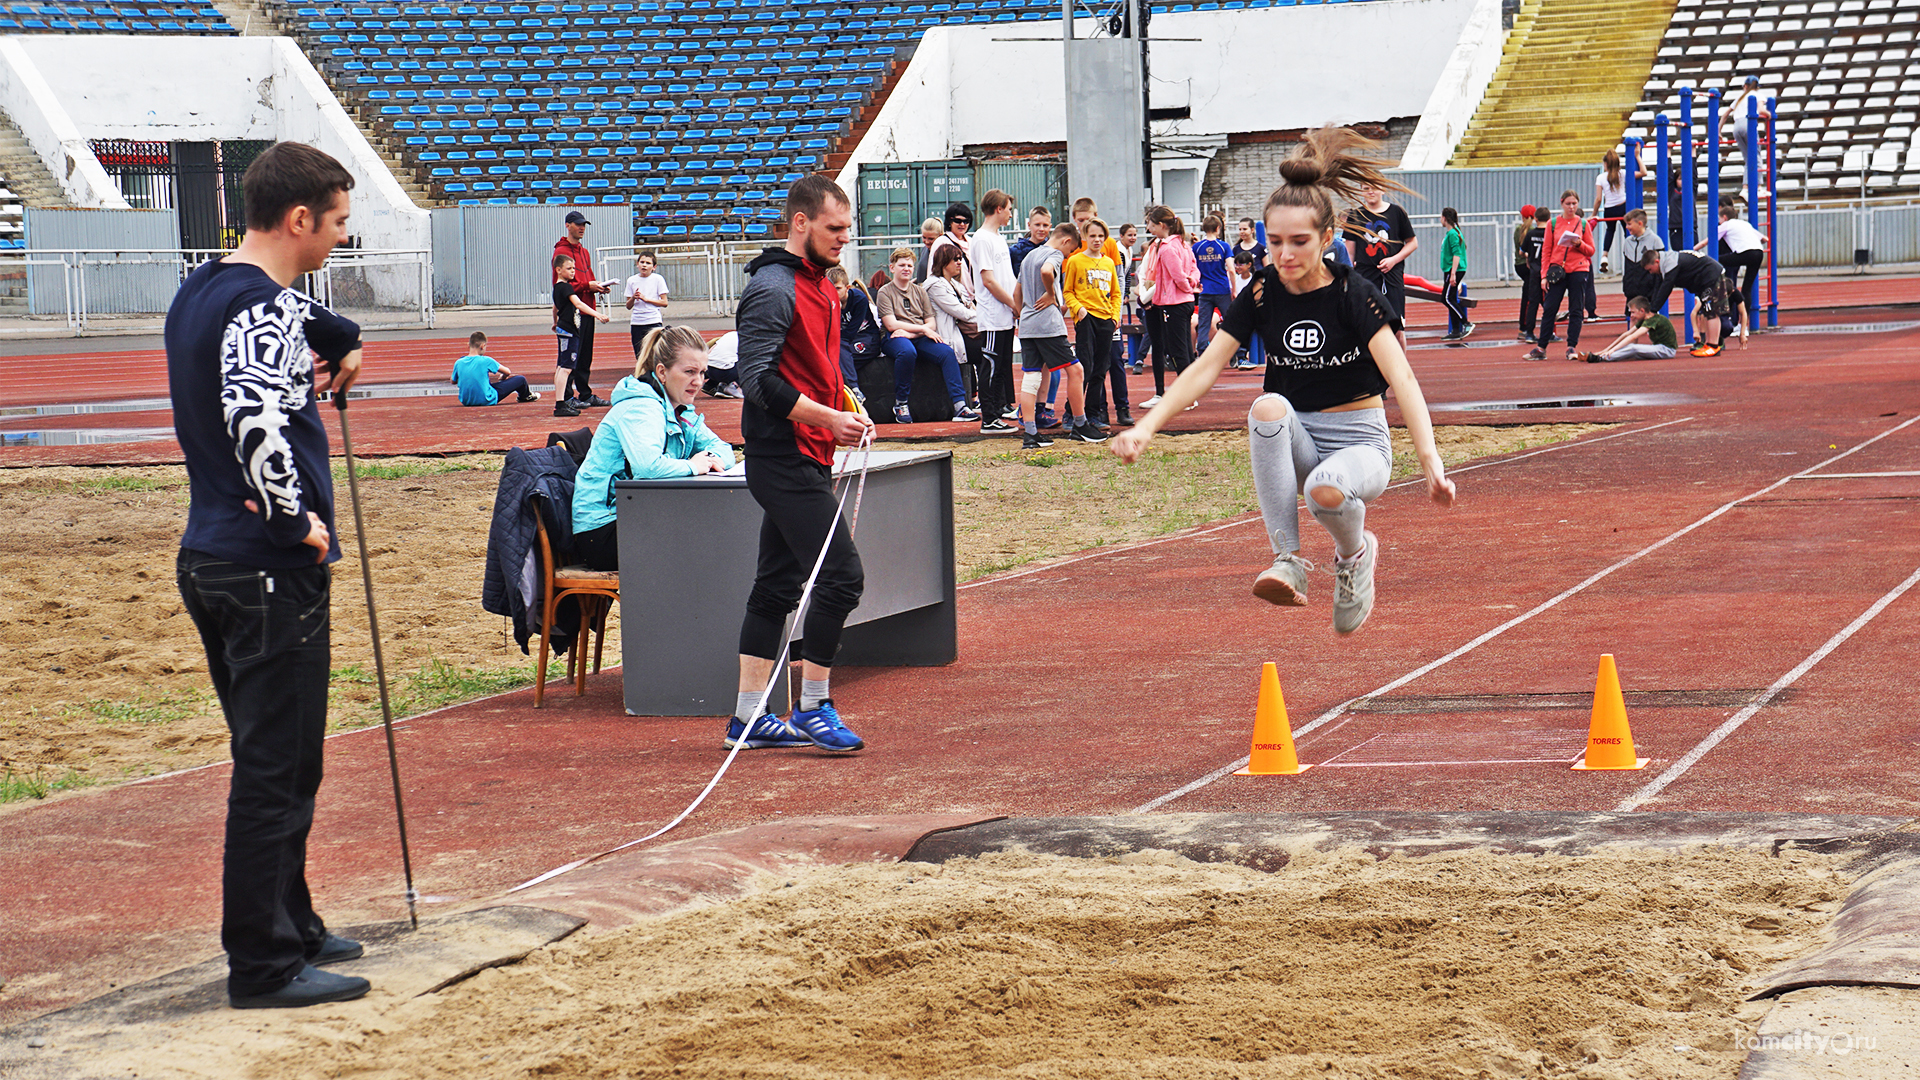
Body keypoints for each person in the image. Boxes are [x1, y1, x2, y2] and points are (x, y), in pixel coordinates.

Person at [166, 141, 372, 1010]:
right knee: (276, 768)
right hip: (266, 567)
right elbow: (254, 416)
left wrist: (347, 339)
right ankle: (263, 962)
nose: (340, 243)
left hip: (209, 557)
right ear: (299, 220)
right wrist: (300, 524)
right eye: (336, 227)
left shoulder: (204, 288)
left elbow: (296, 317)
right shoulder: (261, 312)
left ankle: (294, 922)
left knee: (286, 757)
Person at [1112, 127, 1455, 637]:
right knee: (1267, 406)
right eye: (1274, 243)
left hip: (1361, 443)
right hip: (1301, 438)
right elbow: (1207, 366)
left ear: (1328, 237)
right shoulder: (1262, 291)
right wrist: (1148, 425)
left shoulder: (1353, 294)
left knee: (1325, 488)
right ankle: (1288, 560)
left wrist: (1431, 463)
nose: (1285, 255)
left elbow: (1401, 378)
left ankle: (1355, 555)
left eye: (1299, 242)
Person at [730, 174, 875, 753]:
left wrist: (847, 405)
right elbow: (756, 379)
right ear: (801, 223)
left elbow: (814, 368)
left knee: (776, 587)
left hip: (810, 452)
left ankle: (746, 719)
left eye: (847, 228)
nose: (844, 238)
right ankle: (813, 704)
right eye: (834, 228)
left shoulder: (821, 285)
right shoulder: (772, 288)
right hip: (782, 455)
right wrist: (824, 418)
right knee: (843, 578)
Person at [570, 325, 735, 570]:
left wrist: (709, 458)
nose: (698, 381)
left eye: (702, 372)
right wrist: (692, 465)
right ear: (662, 372)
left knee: (719, 531)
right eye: (689, 371)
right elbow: (647, 467)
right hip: (603, 530)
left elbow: (724, 449)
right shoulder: (642, 408)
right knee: (713, 542)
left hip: (636, 516)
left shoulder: (679, 409)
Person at [1013, 221, 1104, 448]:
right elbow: (1047, 271)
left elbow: (1017, 291)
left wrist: (1022, 313)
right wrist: (1051, 294)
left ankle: (1031, 434)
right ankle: (1080, 425)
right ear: (1066, 241)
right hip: (1047, 326)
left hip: (1028, 325)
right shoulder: (1053, 255)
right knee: (1076, 370)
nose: (1068, 255)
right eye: (1070, 250)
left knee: (1032, 377)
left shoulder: (1029, 256)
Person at [874, 247, 978, 425]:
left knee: (946, 352)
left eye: (909, 265)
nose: (906, 268)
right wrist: (921, 330)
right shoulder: (885, 292)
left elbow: (931, 323)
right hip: (893, 338)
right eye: (901, 265)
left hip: (914, 335)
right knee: (907, 352)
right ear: (892, 268)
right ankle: (901, 404)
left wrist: (914, 333)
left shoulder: (920, 291)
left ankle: (960, 405)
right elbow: (891, 324)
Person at [970, 188, 1021, 433]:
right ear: (998, 209)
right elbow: (988, 280)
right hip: (992, 315)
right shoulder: (981, 239)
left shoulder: (998, 238)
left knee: (1002, 366)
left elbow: (1006, 277)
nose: (1011, 214)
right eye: (1009, 209)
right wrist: (1013, 304)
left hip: (1005, 315)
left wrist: (1015, 303)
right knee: (989, 365)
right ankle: (988, 417)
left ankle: (998, 409)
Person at [1063, 217, 1121, 431]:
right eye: (1093, 236)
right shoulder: (1075, 261)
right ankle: (1071, 413)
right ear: (1085, 237)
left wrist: (1115, 316)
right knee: (1084, 367)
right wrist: (1078, 309)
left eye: (1100, 236)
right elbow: (1067, 291)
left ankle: (1094, 413)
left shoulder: (1108, 263)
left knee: (1100, 368)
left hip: (1106, 320)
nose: (1096, 240)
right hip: (1086, 319)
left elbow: (1116, 293)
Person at [1344, 179, 1417, 347]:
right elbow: (1350, 252)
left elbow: (1412, 243)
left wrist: (1393, 260)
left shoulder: (1397, 213)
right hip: (1366, 277)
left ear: (1383, 189)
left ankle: (1399, 371)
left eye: (1374, 188)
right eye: (1365, 188)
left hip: (1392, 277)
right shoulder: (1355, 216)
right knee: (1368, 326)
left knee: (1397, 329)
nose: (1370, 191)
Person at [1138, 206, 1199, 408]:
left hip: (1175, 302)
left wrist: (1185, 285)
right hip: (1184, 300)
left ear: (1161, 225)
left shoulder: (1166, 247)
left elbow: (1178, 275)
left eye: (1151, 224)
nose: (1148, 228)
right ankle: (1188, 394)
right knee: (1182, 349)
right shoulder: (1183, 244)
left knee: (1178, 350)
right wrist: (1191, 284)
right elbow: (1192, 270)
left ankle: (1188, 396)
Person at [1524, 191, 1595, 362]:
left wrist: (1580, 244)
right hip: (1558, 270)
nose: (1571, 207)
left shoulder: (1583, 224)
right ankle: (1541, 347)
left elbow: (1591, 250)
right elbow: (1546, 251)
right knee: (1549, 308)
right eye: (1568, 204)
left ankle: (1572, 346)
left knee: (1576, 308)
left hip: (1578, 269)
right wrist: (1544, 276)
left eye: (1574, 204)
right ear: (1562, 203)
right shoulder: (1552, 224)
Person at [553, 210, 612, 409]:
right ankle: (567, 396)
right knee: (571, 356)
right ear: (567, 225)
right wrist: (588, 286)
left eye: (584, 225)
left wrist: (599, 286)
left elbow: (588, 278)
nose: (582, 228)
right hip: (573, 313)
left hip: (587, 308)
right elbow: (562, 286)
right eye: (578, 224)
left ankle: (585, 393)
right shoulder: (561, 252)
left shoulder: (584, 252)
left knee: (585, 355)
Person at [926, 201, 982, 406]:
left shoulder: (970, 242)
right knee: (981, 349)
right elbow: (959, 311)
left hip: (967, 299)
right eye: (957, 220)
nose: (962, 224)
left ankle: (978, 397)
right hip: (953, 315)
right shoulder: (942, 244)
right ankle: (975, 399)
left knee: (987, 346)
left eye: (966, 221)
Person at [926, 244, 986, 418]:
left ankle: (992, 400)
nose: (960, 263)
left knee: (991, 349)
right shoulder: (935, 285)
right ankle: (987, 400)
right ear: (944, 262)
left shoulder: (954, 284)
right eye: (956, 259)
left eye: (960, 259)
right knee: (986, 352)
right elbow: (959, 312)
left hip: (959, 332)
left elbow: (969, 307)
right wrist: (986, 320)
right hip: (947, 336)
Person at [1640, 247, 1730, 356]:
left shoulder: (1670, 263)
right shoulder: (1667, 261)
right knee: (1706, 311)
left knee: (1712, 311)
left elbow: (1666, 288)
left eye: (1650, 269)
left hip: (1712, 276)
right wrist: (1652, 307)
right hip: (1705, 278)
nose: (1651, 273)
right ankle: (1708, 343)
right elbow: (1658, 287)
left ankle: (1713, 346)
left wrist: (1653, 310)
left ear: (1656, 262)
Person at [1708, 200, 1765, 347]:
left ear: (1724, 217)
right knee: (1747, 288)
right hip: (1758, 253)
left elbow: (1711, 239)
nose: (1719, 222)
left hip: (1745, 253)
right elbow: (1765, 238)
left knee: (1715, 259)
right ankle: (1744, 326)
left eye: (1719, 220)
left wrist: (1694, 249)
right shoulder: (1745, 224)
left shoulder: (1726, 225)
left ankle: (1733, 320)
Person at [827, 265, 879, 402]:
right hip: (843, 343)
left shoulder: (858, 299)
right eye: (830, 289)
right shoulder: (827, 301)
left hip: (866, 338)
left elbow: (849, 333)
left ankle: (854, 389)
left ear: (847, 288)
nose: (833, 292)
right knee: (834, 358)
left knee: (838, 354)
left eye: (837, 289)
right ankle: (848, 388)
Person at [451, 330, 537, 405]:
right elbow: (507, 372)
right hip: (486, 399)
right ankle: (525, 396)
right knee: (520, 379)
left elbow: (453, 381)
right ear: (482, 346)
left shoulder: (459, 362)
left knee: (486, 385)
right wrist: (503, 377)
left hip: (466, 401)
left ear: (468, 345)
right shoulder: (486, 360)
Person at [1192, 214, 1234, 357]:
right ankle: (1236, 354)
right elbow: (1232, 269)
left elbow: (1192, 267)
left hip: (1204, 290)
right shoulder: (1224, 246)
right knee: (1230, 322)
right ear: (1218, 228)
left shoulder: (1197, 247)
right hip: (1222, 289)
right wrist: (1233, 288)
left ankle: (1202, 352)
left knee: (1204, 323)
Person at [1587, 295, 1678, 362]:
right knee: (1630, 348)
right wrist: (1606, 349)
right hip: (1658, 348)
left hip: (1667, 350)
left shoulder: (1652, 320)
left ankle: (1603, 358)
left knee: (1633, 348)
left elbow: (1633, 337)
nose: (1632, 316)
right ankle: (1603, 354)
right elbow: (1627, 334)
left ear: (1642, 310)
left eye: (1633, 312)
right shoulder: (1645, 319)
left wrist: (1612, 351)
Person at [1619, 208, 1665, 322]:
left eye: (1629, 224)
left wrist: (1656, 290)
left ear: (1640, 224)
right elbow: (1627, 267)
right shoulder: (1627, 242)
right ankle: (1633, 340)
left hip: (1649, 291)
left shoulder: (1655, 241)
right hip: (1632, 289)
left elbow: (1660, 269)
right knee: (1633, 318)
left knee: (1651, 320)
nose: (1627, 227)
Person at [623, 249, 668, 358]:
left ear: (654, 267)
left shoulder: (658, 279)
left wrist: (646, 299)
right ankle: (642, 374)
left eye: (648, 263)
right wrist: (634, 297)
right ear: (637, 264)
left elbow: (664, 302)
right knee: (639, 354)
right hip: (637, 322)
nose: (644, 265)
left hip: (653, 320)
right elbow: (628, 306)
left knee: (655, 353)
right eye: (642, 262)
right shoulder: (632, 280)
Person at [1438, 207, 1474, 341]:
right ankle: (1456, 330)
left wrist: (1453, 273)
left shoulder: (1453, 233)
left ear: (1445, 218)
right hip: (1451, 270)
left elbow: (1457, 254)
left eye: (1441, 217)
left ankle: (1466, 323)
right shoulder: (1453, 233)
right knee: (1451, 298)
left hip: (1454, 270)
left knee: (1446, 298)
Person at [1593, 149, 1630, 275]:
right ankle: (1630, 253)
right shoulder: (1623, 174)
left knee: (1610, 230)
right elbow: (1642, 173)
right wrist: (1636, 156)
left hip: (1610, 209)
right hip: (1623, 207)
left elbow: (1598, 199)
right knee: (1627, 231)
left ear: (1606, 164)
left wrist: (1594, 214)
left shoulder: (1601, 177)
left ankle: (1604, 255)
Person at [1518, 206, 1549, 343]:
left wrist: (1528, 255)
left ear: (1535, 218)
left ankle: (1529, 332)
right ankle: (1548, 332)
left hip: (1534, 271)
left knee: (1532, 303)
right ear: (1549, 219)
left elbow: (1521, 251)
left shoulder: (1530, 234)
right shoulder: (1550, 234)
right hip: (1546, 272)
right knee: (1549, 303)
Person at [1228, 250, 1261, 369]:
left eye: (1241, 264)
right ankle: (1239, 356)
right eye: (1236, 264)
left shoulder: (1255, 280)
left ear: (1249, 265)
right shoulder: (1235, 280)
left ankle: (1241, 356)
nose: (1237, 267)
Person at [1009, 205, 1050, 273]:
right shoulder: (1015, 251)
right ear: (1029, 225)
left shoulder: (1052, 250)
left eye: (1045, 225)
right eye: (1037, 225)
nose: (1041, 229)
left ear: (1050, 226)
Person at [913, 216, 942, 282]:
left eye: (931, 239)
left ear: (940, 236)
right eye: (924, 237)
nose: (926, 241)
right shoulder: (924, 249)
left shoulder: (944, 253)